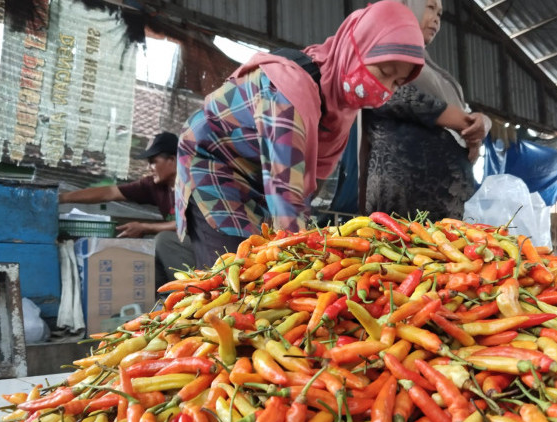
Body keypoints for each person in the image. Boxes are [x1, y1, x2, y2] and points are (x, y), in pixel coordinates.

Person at [175, 1, 426, 268]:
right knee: (235, 268)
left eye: (397, 83)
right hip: (214, 165)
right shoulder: (289, 90)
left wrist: (308, 243)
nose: (385, 88)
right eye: (384, 72)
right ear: (356, 48)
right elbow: (285, 188)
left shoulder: (339, 109)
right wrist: (307, 264)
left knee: (267, 257)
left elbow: (307, 184)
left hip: (259, 176)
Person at [361, 0, 492, 221]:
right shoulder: (379, 51)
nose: (436, 19)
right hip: (404, 192)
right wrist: (465, 123)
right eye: (429, 7)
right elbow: (396, 96)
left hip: (447, 195)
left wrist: (482, 123)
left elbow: (466, 113)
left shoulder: (435, 71)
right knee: (399, 250)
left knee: (446, 252)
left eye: (440, 13)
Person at [59, 132, 195, 288]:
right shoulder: (154, 185)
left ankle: (193, 292)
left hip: (200, 247)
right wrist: (63, 198)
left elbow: (190, 223)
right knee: (145, 252)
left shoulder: (192, 183)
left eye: (152, 162)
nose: (148, 168)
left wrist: (146, 227)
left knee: (163, 240)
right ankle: (161, 297)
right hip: (180, 249)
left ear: (172, 160)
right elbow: (110, 192)